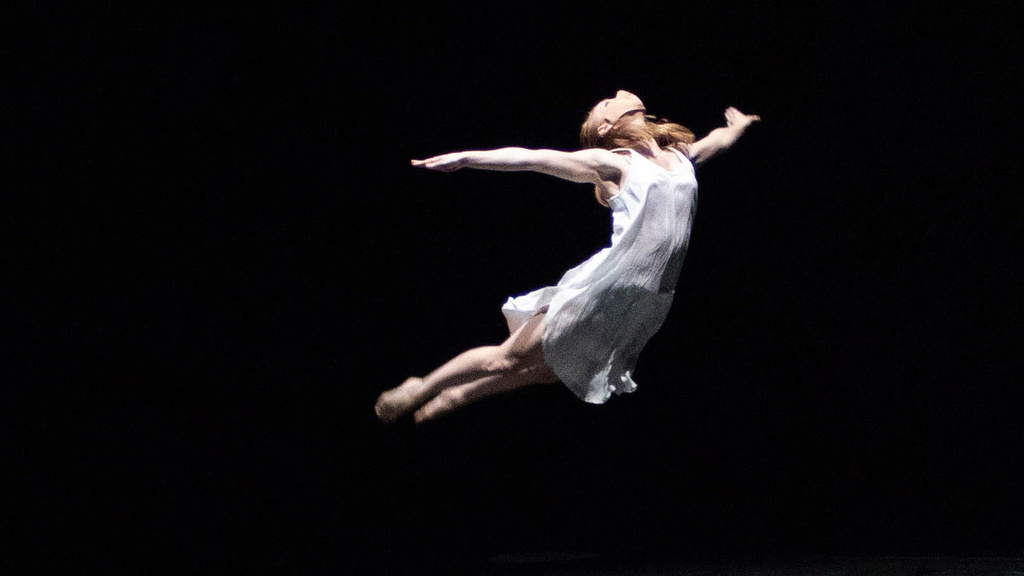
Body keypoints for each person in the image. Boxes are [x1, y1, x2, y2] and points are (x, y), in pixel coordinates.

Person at [375, 90, 760, 424]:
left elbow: (719, 141)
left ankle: (460, 396)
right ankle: (420, 388)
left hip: (648, 299)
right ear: (606, 127)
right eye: (607, 102)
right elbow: (533, 158)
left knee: (552, 370)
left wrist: (738, 127)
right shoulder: (616, 164)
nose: (618, 93)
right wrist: (466, 157)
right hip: (607, 287)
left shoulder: (681, 155)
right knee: (508, 358)